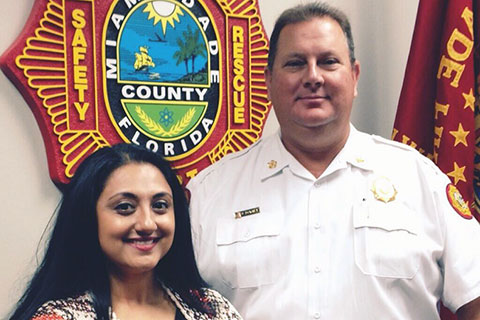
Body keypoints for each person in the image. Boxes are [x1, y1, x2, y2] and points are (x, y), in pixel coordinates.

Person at [187, 2, 480, 319]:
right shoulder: (211, 191)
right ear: (268, 80)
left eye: (328, 62)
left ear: (354, 76)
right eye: (296, 63)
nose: (313, 77)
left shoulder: (420, 180)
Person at [8, 143, 242, 320]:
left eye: (160, 205)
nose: (147, 224)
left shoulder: (211, 309)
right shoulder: (59, 317)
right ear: (88, 216)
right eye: (125, 208)